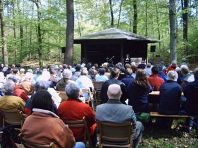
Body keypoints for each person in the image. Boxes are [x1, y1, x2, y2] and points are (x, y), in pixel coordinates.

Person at [96, 84, 144, 148]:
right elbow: (134, 125)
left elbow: (97, 127)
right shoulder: (129, 109)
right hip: (124, 141)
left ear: (107, 94)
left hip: (105, 140)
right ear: (121, 94)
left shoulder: (99, 108)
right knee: (140, 124)